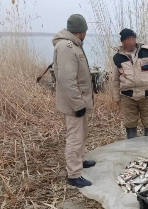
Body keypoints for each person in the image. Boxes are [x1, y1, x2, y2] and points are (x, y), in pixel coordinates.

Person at [52, 14, 95, 188]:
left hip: (80, 101)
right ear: (81, 31)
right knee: (75, 137)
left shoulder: (74, 45)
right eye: (85, 30)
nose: (86, 33)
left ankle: (80, 160)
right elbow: (67, 80)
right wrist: (78, 105)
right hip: (74, 103)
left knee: (81, 133)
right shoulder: (67, 47)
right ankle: (74, 174)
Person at [112, 28, 148, 139]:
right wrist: (117, 98)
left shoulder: (147, 51)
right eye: (128, 39)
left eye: (133, 39)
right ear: (123, 42)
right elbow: (115, 79)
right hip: (128, 96)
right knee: (130, 123)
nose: (132, 41)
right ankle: (133, 148)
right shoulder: (117, 57)